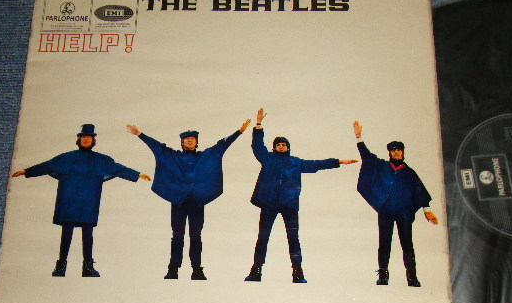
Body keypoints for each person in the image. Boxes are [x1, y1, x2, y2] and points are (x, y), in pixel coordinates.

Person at [12, 124, 151, 277]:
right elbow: (48, 165)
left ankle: (88, 267)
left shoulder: (101, 159)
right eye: (83, 136)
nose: (86, 139)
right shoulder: (67, 157)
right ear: (79, 139)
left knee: (87, 233)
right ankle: (61, 266)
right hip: (69, 199)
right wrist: (26, 171)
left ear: (93, 141)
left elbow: (118, 168)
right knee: (66, 232)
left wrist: (137, 174)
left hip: (89, 201)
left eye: (89, 137)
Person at [126, 118, 251, 280]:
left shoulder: (204, 156)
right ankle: (173, 269)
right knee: (177, 235)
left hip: (197, 201)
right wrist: (140, 135)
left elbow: (221, 146)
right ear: (182, 142)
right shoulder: (174, 156)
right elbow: (157, 147)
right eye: (186, 139)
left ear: (196, 142)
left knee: (196, 235)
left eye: (192, 138)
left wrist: (239, 132)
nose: (190, 140)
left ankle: (197, 269)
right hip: (179, 200)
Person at [244, 108, 358, 283]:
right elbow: (257, 146)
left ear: (288, 147)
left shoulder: (295, 162)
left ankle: (297, 272)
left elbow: (316, 164)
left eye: (284, 144)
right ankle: (256, 270)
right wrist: (258, 125)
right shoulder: (267, 158)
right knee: (263, 237)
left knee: (293, 238)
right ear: (274, 147)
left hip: (289, 203)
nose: (281, 146)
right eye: (278, 144)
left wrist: (339, 162)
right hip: (269, 203)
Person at [353, 120, 438, 287]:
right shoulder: (383, 166)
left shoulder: (409, 172)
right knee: (384, 243)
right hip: (386, 211)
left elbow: (419, 191)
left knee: (407, 244)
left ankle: (412, 276)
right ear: (390, 153)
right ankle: (383, 275)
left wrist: (427, 210)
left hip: (404, 213)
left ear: (403, 152)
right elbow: (367, 157)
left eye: (399, 150)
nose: (396, 152)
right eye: (393, 150)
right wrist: (358, 137)